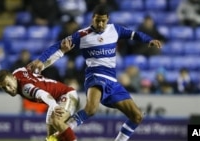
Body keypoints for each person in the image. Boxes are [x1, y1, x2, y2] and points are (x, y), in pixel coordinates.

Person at [28, 4, 162, 141]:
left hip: (112, 82)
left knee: (137, 116)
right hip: (95, 76)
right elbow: (58, 45)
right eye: (97, 20)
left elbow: (135, 34)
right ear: (92, 18)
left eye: (103, 20)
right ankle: (58, 135)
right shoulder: (82, 35)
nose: (100, 24)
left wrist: (149, 40)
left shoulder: (115, 30)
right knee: (91, 109)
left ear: (108, 19)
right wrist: (41, 60)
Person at [0, 39, 79, 140]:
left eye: (9, 85)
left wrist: (53, 106)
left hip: (66, 94)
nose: (9, 89)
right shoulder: (19, 72)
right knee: (50, 136)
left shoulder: (25, 88)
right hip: (55, 99)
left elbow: (42, 94)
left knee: (57, 122)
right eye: (4, 88)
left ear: (13, 78)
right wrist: (61, 52)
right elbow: (40, 65)